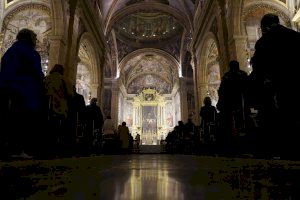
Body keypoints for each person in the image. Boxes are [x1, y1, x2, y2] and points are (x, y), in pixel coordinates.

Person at [250, 13, 300, 158]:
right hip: (296, 82)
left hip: (277, 84)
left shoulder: (263, 42)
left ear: (264, 27)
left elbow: (258, 67)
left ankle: (287, 151)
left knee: (284, 116)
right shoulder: (295, 36)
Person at [0, 29, 44, 159]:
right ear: (30, 39)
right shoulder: (31, 53)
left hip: (6, 89)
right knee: (22, 121)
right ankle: (18, 149)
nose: (36, 42)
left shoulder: (9, 52)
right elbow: (37, 73)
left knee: (8, 118)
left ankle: (7, 147)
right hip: (25, 91)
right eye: (35, 39)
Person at [216, 60, 249, 154]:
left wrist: (221, 102)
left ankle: (231, 144)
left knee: (230, 123)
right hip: (240, 101)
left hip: (229, 102)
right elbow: (247, 88)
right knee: (242, 121)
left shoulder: (226, 76)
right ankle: (244, 142)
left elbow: (221, 91)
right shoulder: (243, 74)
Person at [43, 64, 73, 157]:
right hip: (60, 107)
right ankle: (58, 149)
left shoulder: (47, 78)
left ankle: (46, 148)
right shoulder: (64, 79)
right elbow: (70, 94)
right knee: (60, 128)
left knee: (48, 127)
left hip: (46, 107)